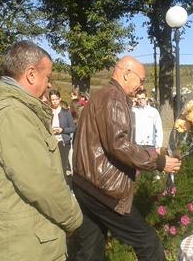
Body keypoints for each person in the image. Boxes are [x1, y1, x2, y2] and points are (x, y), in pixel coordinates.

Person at [0, 40, 82, 261]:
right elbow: (42, 184)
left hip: (24, 241)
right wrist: (73, 219)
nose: (49, 84)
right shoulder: (12, 115)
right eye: (48, 77)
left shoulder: (14, 110)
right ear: (31, 74)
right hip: (25, 247)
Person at [71, 56, 182, 261]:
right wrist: (159, 161)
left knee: (91, 248)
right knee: (148, 243)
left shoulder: (101, 95)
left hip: (85, 183)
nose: (142, 86)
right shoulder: (114, 98)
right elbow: (119, 144)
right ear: (126, 74)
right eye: (141, 80)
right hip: (104, 189)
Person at [49, 89, 76, 178]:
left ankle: (64, 185)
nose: (54, 102)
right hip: (52, 143)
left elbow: (73, 128)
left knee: (63, 166)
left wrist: (62, 130)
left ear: (60, 99)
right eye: (52, 100)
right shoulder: (48, 112)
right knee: (53, 166)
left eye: (56, 99)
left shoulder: (66, 112)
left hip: (64, 142)